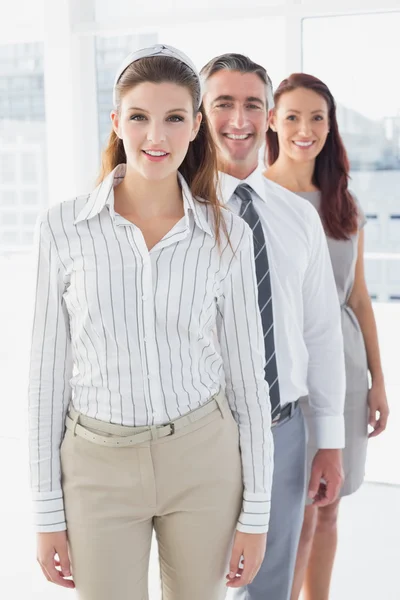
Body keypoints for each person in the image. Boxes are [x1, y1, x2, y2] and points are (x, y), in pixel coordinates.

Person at [28, 44, 274, 600]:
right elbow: (45, 380)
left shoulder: (229, 234)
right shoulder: (62, 229)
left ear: (196, 129)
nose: (155, 137)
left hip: (203, 459)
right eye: (139, 117)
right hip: (96, 466)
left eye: (174, 118)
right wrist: (46, 513)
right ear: (117, 123)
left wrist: (255, 515)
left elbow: (247, 382)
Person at [200, 53, 346, 600]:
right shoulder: (171, 211)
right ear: (197, 114)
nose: (239, 119)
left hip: (284, 430)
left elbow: (320, 335)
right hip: (200, 431)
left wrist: (327, 440)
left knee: (270, 582)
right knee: (198, 580)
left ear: (267, 118)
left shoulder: (297, 216)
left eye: (252, 105)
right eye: (223, 104)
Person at [264, 72, 389, 600]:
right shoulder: (257, 198)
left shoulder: (343, 202)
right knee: (295, 512)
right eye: (292, 116)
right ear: (272, 121)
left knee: (330, 507)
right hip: (290, 371)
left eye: (317, 117)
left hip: (346, 370)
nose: (304, 128)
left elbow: (358, 300)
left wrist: (378, 381)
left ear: (330, 124)